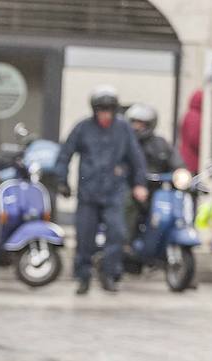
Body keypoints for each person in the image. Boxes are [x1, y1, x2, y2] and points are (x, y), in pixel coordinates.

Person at [54, 85, 148, 294]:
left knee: (117, 233)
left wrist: (139, 184)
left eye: (108, 110)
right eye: (100, 110)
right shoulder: (83, 128)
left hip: (114, 192)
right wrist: (62, 180)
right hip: (88, 193)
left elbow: (136, 159)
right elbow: (65, 154)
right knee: (84, 237)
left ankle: (109, 273)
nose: (105, 115)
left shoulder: (123, 129)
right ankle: (83, 276)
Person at [124, 103, 185, 240]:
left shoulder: (160, 144)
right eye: (134, 123)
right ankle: (125, 243)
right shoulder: (125, 143)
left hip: (157, 191)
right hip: (131, 189)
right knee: (129, 206)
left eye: (141, 123)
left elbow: (176, 162)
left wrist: (181, 172)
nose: (137, 127)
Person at [179, 90, 203, 174]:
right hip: (192, 160)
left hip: (186, 157)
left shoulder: (190, 114)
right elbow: (195, 139)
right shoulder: (195, 116)